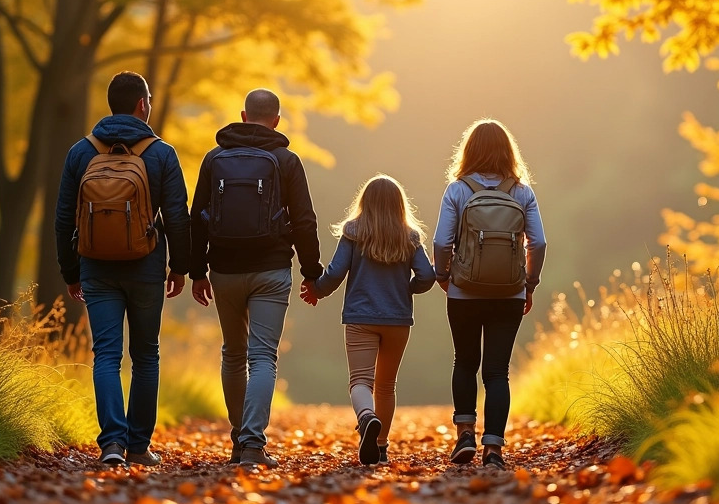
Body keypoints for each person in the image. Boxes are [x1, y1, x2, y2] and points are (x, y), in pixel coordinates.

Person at [55, 71, 189, 467]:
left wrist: (70, 271)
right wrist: (180, 266)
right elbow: (178, 216)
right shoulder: (161, 153)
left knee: (106, 355)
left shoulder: (82, 152)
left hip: (96, 267)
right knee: (146, 355)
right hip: (147, 266)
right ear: (142, 104)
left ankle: (111, 444)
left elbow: (64, 217)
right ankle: (137, 445)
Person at [189, 89, 322, 467]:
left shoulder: (214, 158)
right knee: (262, 356)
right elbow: (305, 221)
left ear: (244, 115)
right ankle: (252, 443)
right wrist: (312, 273)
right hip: (271, 269)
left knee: (233, 352)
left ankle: (238, 437)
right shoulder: (286, 160)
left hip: (225, 270)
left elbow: (196, 216)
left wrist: (197, 271)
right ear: (277, 120)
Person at [433, 119, 547, 469]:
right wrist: (529, 284)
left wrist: (443, 276)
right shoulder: (522, 192)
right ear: (508, 152)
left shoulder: (457, 190)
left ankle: (465, 434)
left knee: (465, 362)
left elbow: (440, 242)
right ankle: (494, 450)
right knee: (497, 371)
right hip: (508, 294)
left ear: (469, 152)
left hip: (463, 291)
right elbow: (538, 243)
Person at [302, 175, 436, 465]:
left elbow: (336, 271)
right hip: (398, 319)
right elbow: (427, 275)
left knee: (360, 381)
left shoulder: (353, 232)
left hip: (361, 316)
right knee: (386, 385)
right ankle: (382, 446)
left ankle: (366, 418)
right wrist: (407, 289)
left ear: (364, 203)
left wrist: (318, 290)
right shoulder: (410, 236)